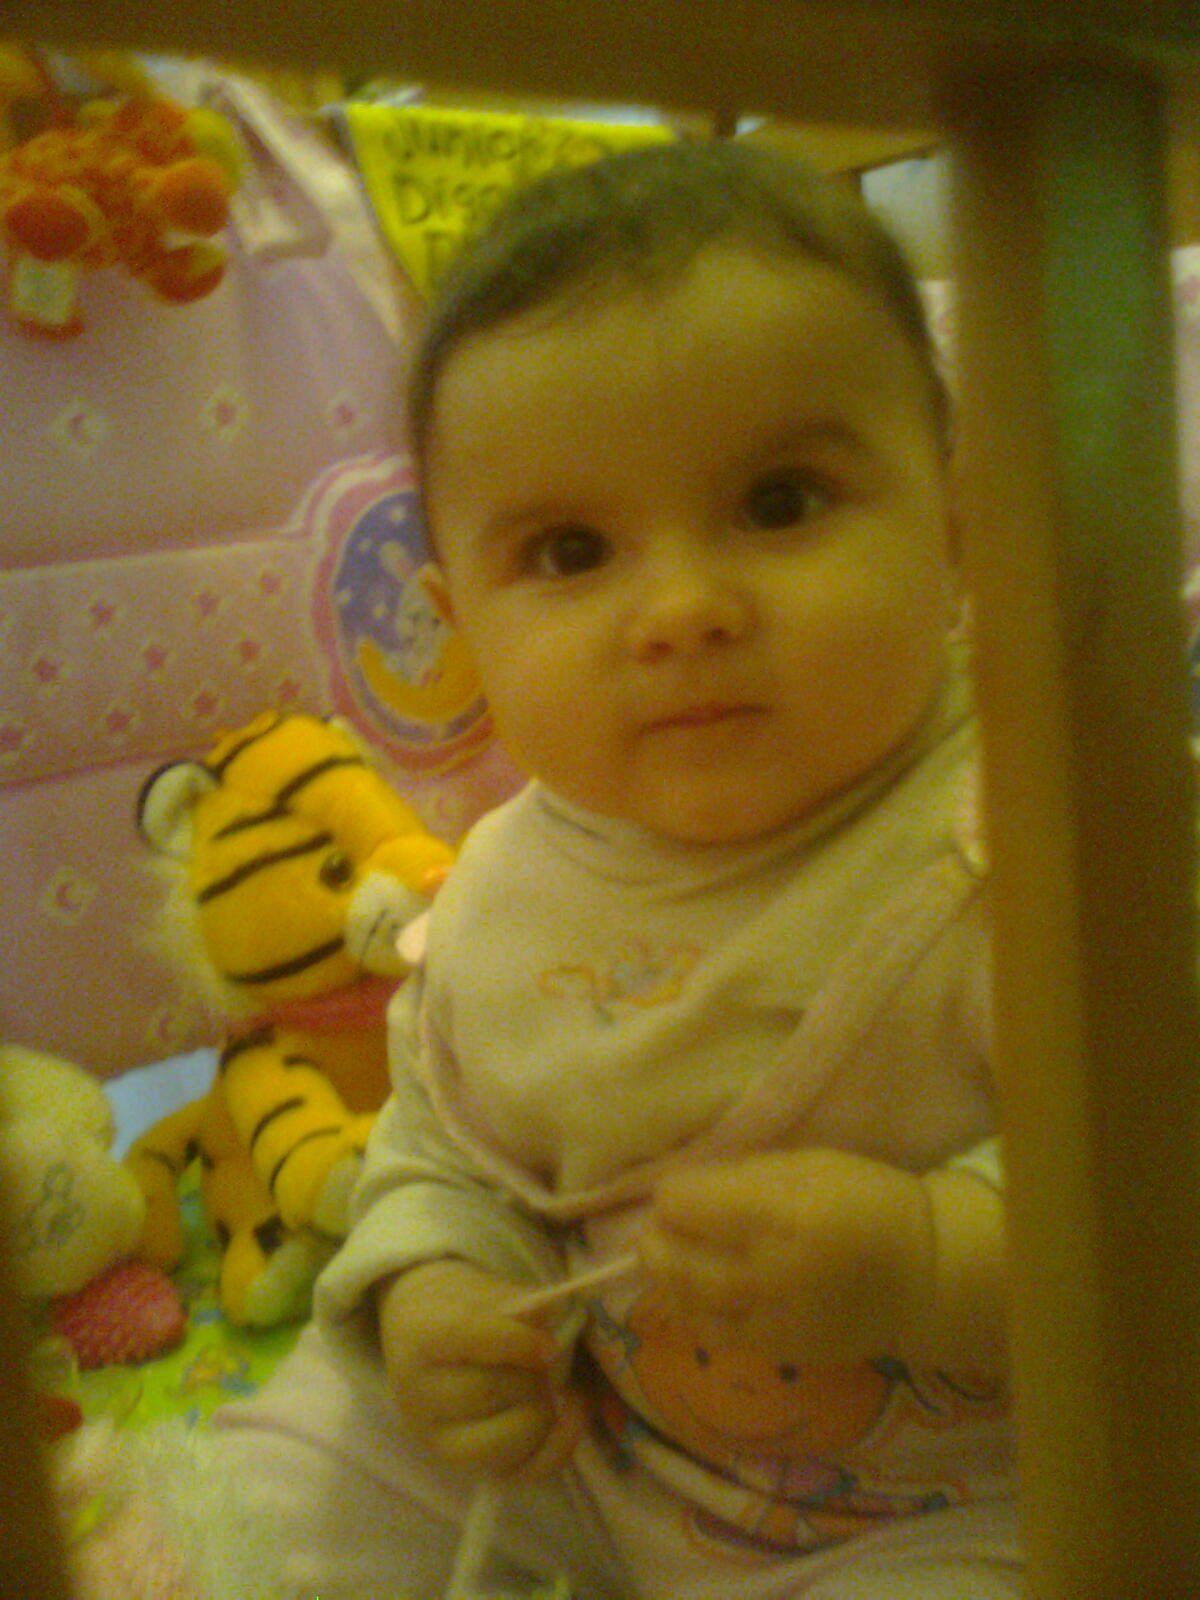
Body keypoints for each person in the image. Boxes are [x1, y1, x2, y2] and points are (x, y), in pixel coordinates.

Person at [208, 139, 1017, 1599]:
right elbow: (446, 1144)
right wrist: (435, 1288)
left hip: (960, 1503)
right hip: (586, 1449)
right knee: (277, 1489)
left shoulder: (1040, 832)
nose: (681, 610)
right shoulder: (504, 887)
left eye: (781, 503)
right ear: (461, 625)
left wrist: (933, 1255)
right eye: (572, 551)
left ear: (957, 529)